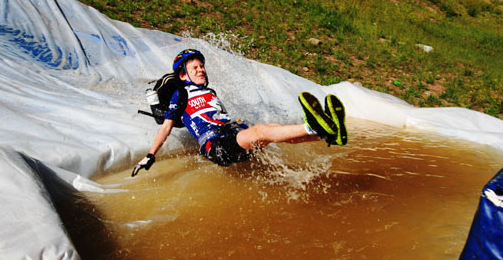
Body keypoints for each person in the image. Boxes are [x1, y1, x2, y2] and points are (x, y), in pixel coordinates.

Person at [132, 49, 348, 175]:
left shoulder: (210, 92)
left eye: (202, 66)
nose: (201, 70)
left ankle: (327, 135)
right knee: (261, 131)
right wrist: (150, 156)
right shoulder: (181, 94)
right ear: (182, 75)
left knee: (272, 129)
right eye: (195, 68)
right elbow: (166, 127)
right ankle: (315, 125)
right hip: (215, 146)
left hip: (231, 134)